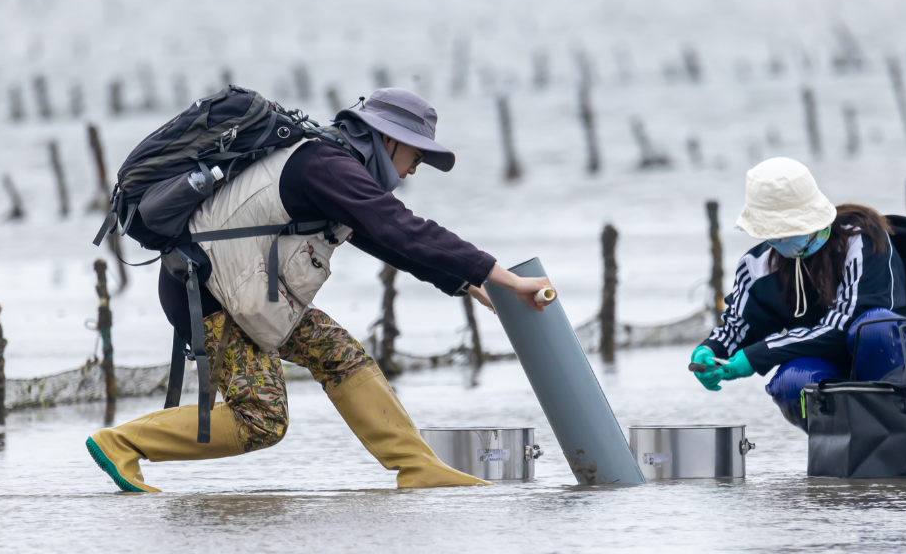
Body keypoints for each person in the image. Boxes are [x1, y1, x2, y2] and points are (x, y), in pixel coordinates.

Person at [87, 88, 555, 492]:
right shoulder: (325, 165)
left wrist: (466, 283)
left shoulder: (332, 163)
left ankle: (418, 467)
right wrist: (508, 278)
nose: (414, 170)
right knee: (260, 418)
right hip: (209, 295)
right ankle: (121, 443)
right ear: (387, 138)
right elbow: (401, 228)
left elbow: (389, 241)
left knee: (339, 354)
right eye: (416, 155)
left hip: (244, 291)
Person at [690, 157, 906, 430]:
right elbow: (735, 326)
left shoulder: (863, 241)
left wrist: (757, 356)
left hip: (892, 354)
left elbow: (843, 326)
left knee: (874, 328)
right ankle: (844, 445)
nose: (778, 241)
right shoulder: (755, 266)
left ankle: (900, 429)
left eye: (786, 230)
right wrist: (709, 349)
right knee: (792, 383)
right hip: (826, 363)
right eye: (771, 233)